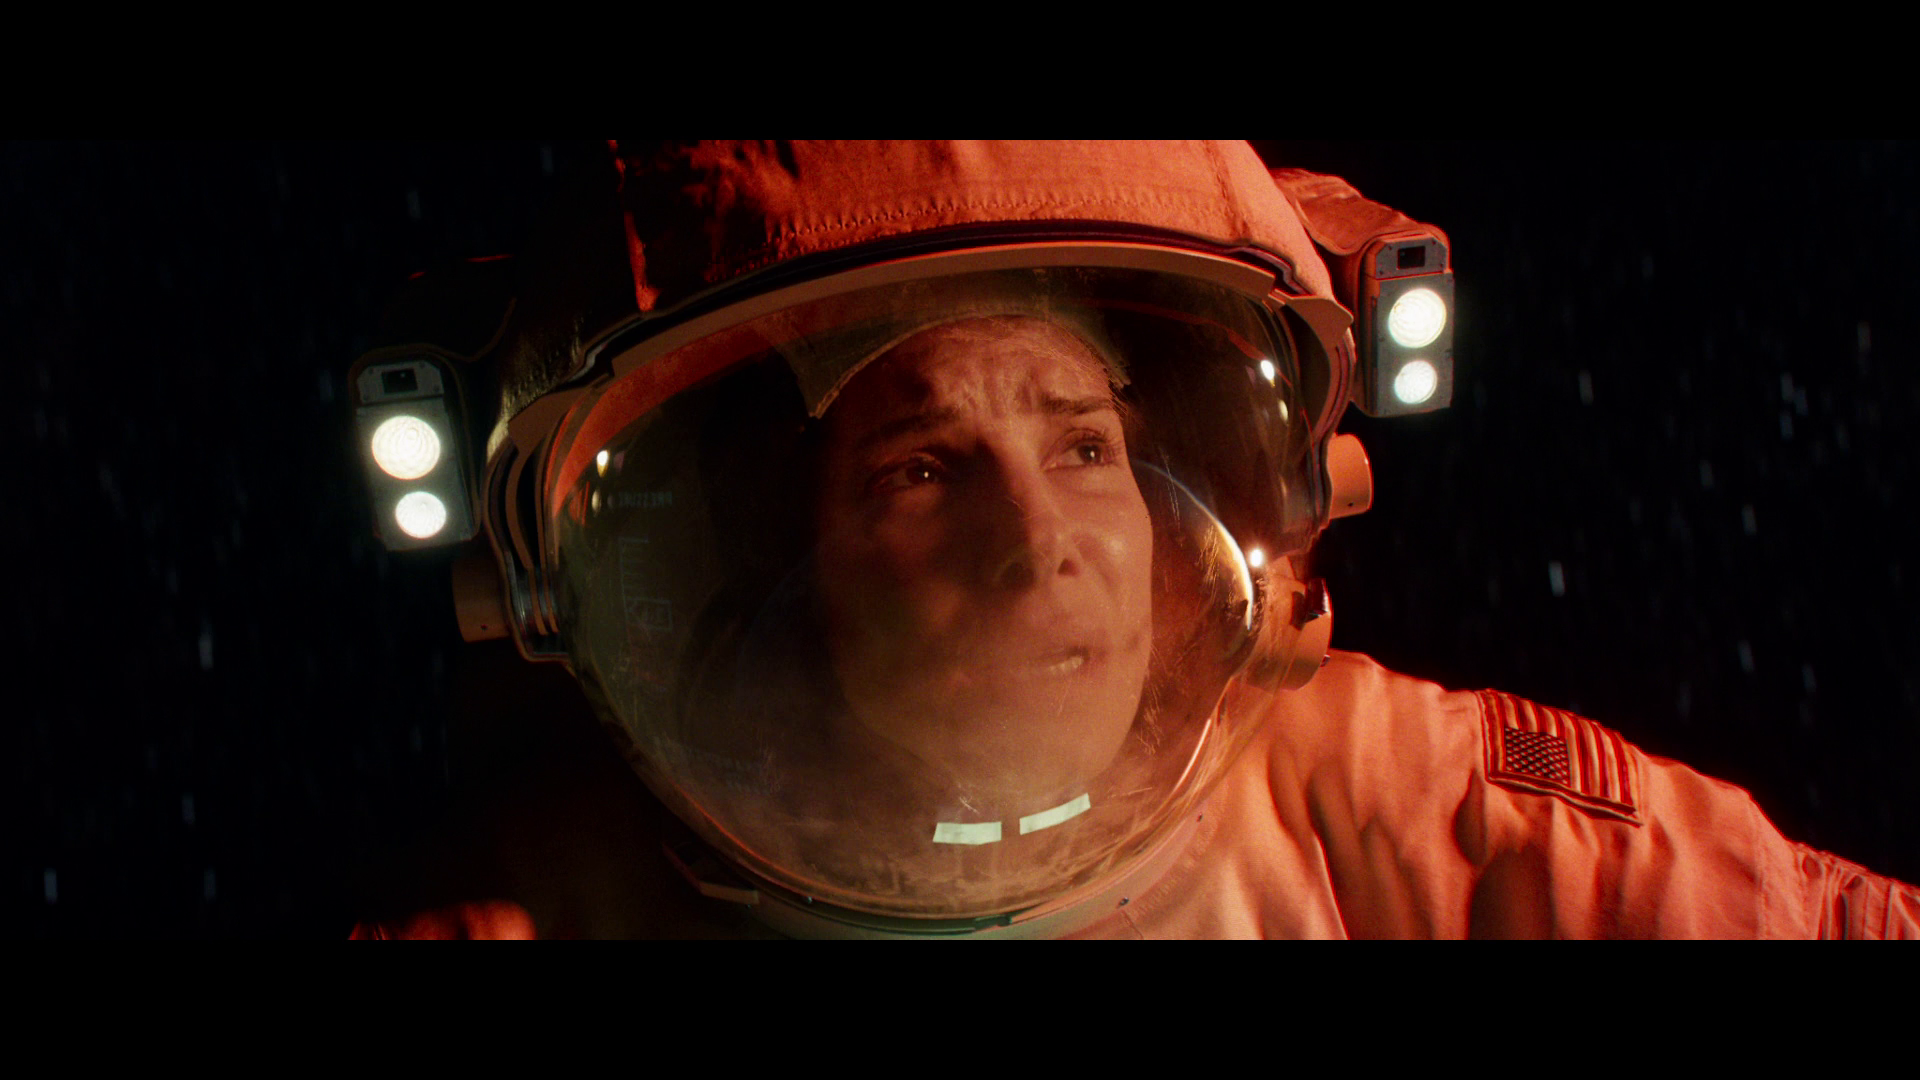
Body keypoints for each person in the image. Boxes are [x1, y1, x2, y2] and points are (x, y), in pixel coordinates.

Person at [347, 141, 1920, 938]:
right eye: (921, 469)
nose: (1038, 542)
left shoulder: (1384, 814)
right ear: (781, 560)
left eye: (1086, 446)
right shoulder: (563, 911)